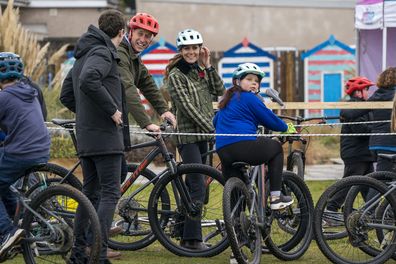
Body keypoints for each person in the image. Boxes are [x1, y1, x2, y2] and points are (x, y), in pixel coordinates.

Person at [60, 10, 127, 264]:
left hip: (88, 136)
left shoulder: (83, 54)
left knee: (90, 196)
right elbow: (90, 79)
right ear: (121, 32)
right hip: (105, 137)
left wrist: (87, 114)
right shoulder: (102, 51)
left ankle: (79, 254)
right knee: (110, 194)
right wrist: (110, 110)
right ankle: (97, 255)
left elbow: (67, 95)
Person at [164, 28, 225, 250]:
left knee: (198, 187)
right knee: (197, 185)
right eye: (187, 48)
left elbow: (220, 90)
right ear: (181, 50)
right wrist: (213, 129)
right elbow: (187, 108)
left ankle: (182, 229)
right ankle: (192, 240)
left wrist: (208, 65)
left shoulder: (199, 70)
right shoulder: (176, 75)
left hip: (203, 137)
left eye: (195, 48)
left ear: (200, 49)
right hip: (189, 137)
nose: (191, 52)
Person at [213, 62, 294, 210]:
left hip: (223, 151)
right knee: (275, 148)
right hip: (243, 146)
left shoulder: (227, 99)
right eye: (249, 79)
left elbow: (215, 121)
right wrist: (286, 128)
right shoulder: (250, 98)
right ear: (238, 81)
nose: (253, 83)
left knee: (237, 194)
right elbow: (270, 119)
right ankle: (276, 197)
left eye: (256, 81)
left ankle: (235, 226)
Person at [0, 52, 50, 259]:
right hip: (42, 150)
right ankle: (20, 227)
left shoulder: (3, 97)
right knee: (2, 183)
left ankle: (6, 233)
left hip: (21, 152)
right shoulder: (30, 91)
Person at [117, 12, 176, 133]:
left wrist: (164, 111)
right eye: (140, 34)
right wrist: (146, 123)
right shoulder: (121, 53)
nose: (143, 39)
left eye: (148, 36)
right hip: (108, 119)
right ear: (131, 32)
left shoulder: (133, 55)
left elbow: (147, 84)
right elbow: (128, 88)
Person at [326, 76, 375, 213]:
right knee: (349, 183)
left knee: (369, 186)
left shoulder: (363, 107)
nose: (368, 93)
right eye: (366, 89)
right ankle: (330, 209)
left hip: (364, 154)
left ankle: (372, 211)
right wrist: (376, 129)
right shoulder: (354, 108)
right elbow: (359, 129)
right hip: (356, 154)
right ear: (358, 92)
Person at [342, 67, 396, 172]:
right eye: (366, 89)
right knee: (382, 181)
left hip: (375, 145)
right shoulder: (393, 95)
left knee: (379, 180)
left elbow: (350, 113)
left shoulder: (378, 95)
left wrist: (343, 112)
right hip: (390, 144)